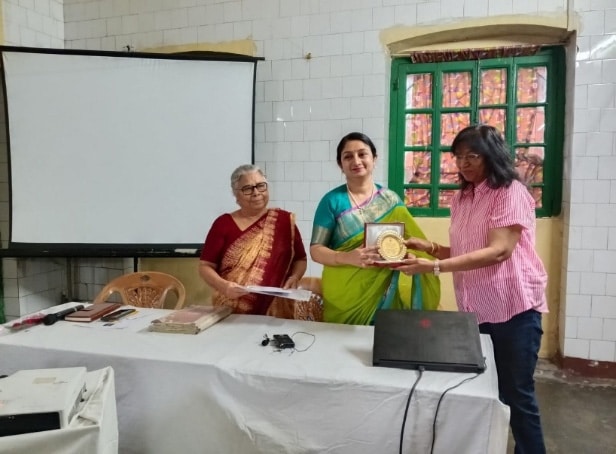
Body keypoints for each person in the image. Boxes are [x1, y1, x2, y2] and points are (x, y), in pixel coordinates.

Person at [396, 124, 548, 454]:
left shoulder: (509, 192)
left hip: (513, 309)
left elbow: (499, 251)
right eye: (458, 157)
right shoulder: (462, 198)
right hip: (476, 312)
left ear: (492, 156)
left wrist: (433, 267)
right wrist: (430, 248)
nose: (463, 163)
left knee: (517, 395)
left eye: (472, 156)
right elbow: (468, 252)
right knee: (485, 393)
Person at [309, 132, 440, 325]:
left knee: (385, 340)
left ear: (374, 158)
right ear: (340, 164)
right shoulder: (331, 201)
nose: (356, 161)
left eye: (362, 154)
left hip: (385, 291)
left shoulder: (390, 200)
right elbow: (316, 250)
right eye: (348, 156)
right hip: (345, 293)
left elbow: (410, 243)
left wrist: (408, 256)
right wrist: (347, 257)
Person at [198, 164, 307, 316]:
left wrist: (295, 277)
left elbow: (300, 259)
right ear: (236, 194)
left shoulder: (284, 221)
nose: (256, 193)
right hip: (232, 310)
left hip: (277, 312)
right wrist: (224, 286)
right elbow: (205, 266)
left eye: (261, 186)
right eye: (247, 189)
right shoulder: (223, 224)